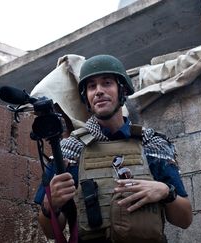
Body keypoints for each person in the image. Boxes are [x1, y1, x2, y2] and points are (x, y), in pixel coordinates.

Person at [35, 54, 192, 242]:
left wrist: (166, 192)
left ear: (122, 90)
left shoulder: (152, 144)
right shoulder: (69, 150)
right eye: (92, 86)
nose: (99, 91)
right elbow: (51, 232)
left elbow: (184, 220)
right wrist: (50, 205)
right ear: (86, 97)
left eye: (107, 83)